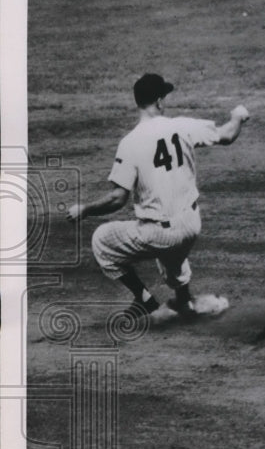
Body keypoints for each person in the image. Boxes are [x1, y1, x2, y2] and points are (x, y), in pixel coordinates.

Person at [66, 74, 249, 316]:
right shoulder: (183, 126)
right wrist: (237, 116)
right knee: (171, 248)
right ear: (160, 102)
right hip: (192, 225)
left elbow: (117, 198)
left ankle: (144, 299)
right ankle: (184, 302)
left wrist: (85, 209)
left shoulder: (129, 143)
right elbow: (227, 134)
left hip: (160, 233)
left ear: (138, 102)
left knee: (102, 239)